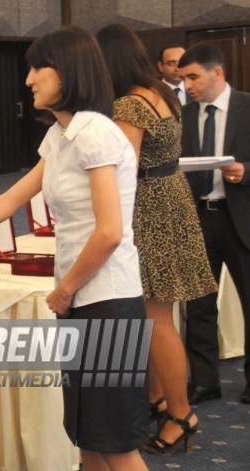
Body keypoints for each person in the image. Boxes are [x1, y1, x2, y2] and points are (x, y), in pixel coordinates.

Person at [0, 26, 148, 471]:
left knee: (117, 444)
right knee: (87, 439)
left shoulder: (96, 133)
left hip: (107, 300)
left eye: (38, 68)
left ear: (69, 71)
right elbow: (5, 202)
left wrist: (65, 290)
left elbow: (110, 232)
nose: (29, 79)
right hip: (83, 299)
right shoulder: (61, 136)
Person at [96, 24, 215, 456]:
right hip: (171, 201)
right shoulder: (161, 92)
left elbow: (121, 170)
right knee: (157, 317)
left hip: (149, 210)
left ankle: (182, 414)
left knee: (155, 320)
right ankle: (160, 401)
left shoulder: (129, 104)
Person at [178, 43, 250, 406]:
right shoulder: (184, 115)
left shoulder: (247, 107)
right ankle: (205, 382)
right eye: (183, 78)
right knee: (199, 307)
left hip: (241, 221)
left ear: (216, 72)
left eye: (193, 76)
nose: (187, 85)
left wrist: (245, 172)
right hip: (197, 219)